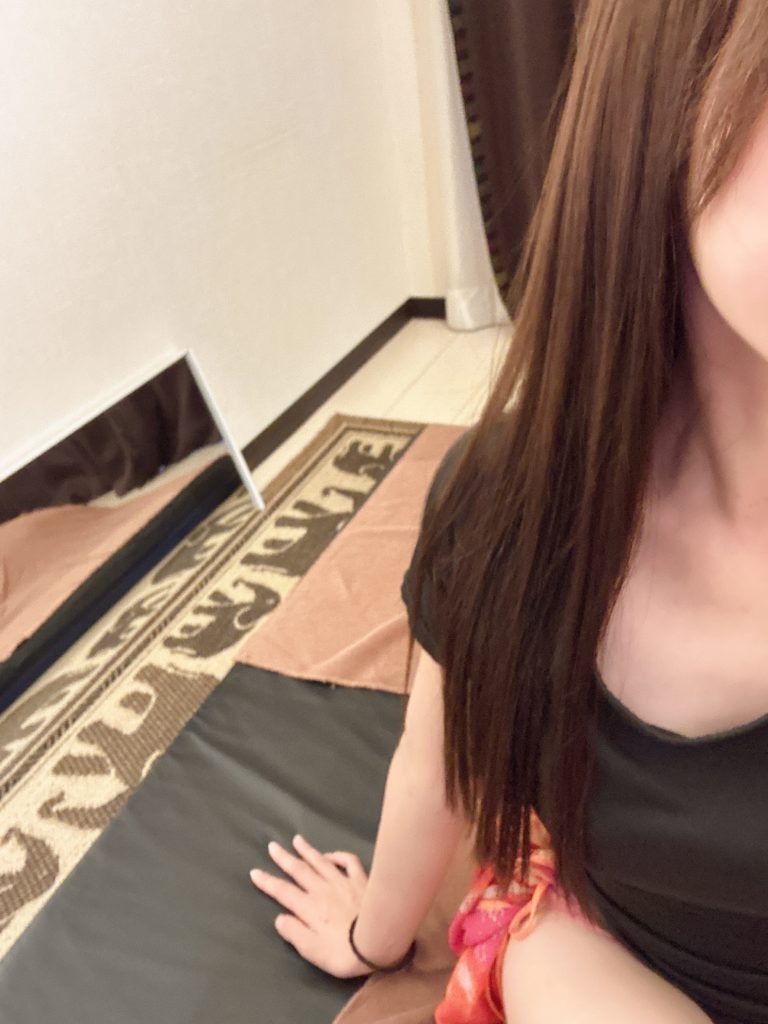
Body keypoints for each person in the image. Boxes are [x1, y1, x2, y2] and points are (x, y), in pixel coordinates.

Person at [249, 2, 768, 1021]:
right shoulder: (513, 508)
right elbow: (441, 762)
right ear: (664, 110)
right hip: (607, 955)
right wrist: (370, 936)